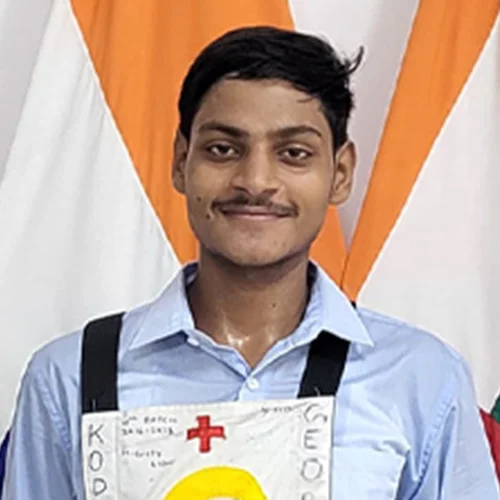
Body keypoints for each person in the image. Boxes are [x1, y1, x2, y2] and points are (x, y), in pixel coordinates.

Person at [2, 26, 499, 500]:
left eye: (294, 153)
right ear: (181, 161)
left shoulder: (419, 378)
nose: (256, 181)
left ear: (341, 173)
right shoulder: (67, 377)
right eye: (223, 149)